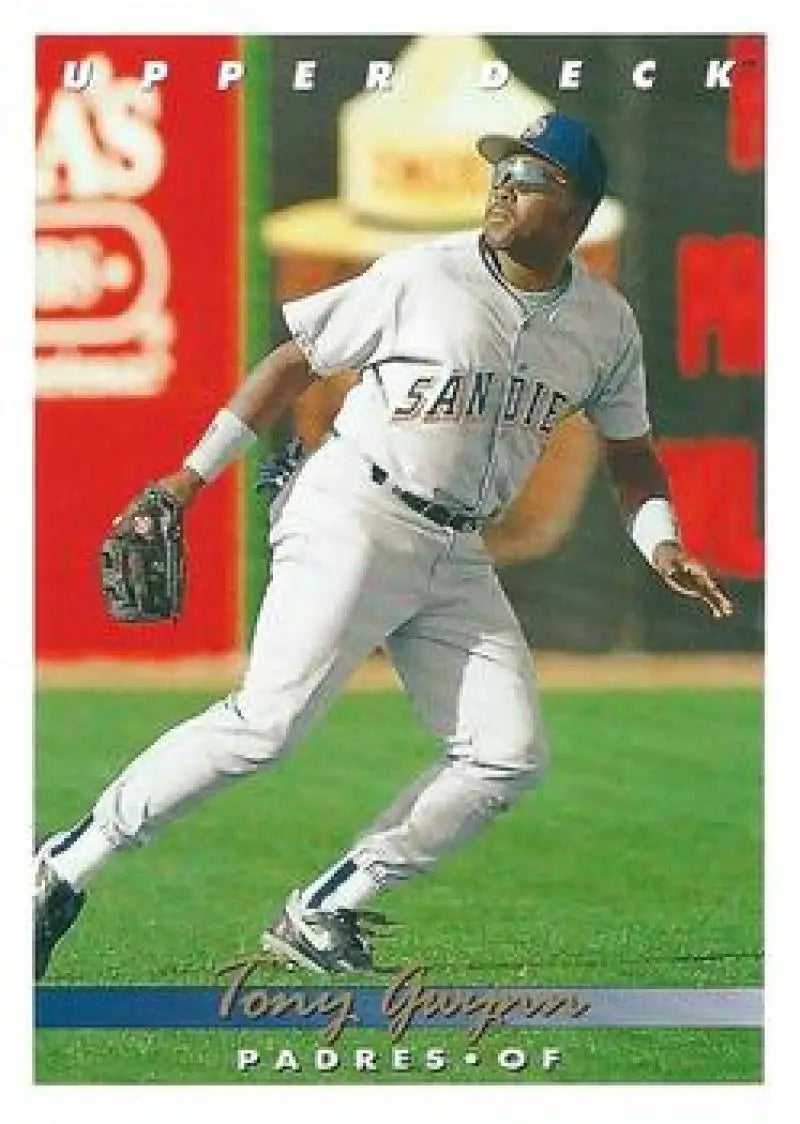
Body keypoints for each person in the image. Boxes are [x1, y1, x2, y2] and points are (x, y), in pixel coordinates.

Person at [34, 112, 734, 980]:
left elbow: (632, 455)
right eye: (501, 172)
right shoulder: (422, 274)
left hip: (454, 550)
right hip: (356, 509)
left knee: (507, 754)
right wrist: (188, 479)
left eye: (529, 177)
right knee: (266, 726)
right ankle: (61, 867)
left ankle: (326, 906)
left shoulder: (604, 323)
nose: (503, 187)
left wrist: (661, 544)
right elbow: (296, 362)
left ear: (577, 211)